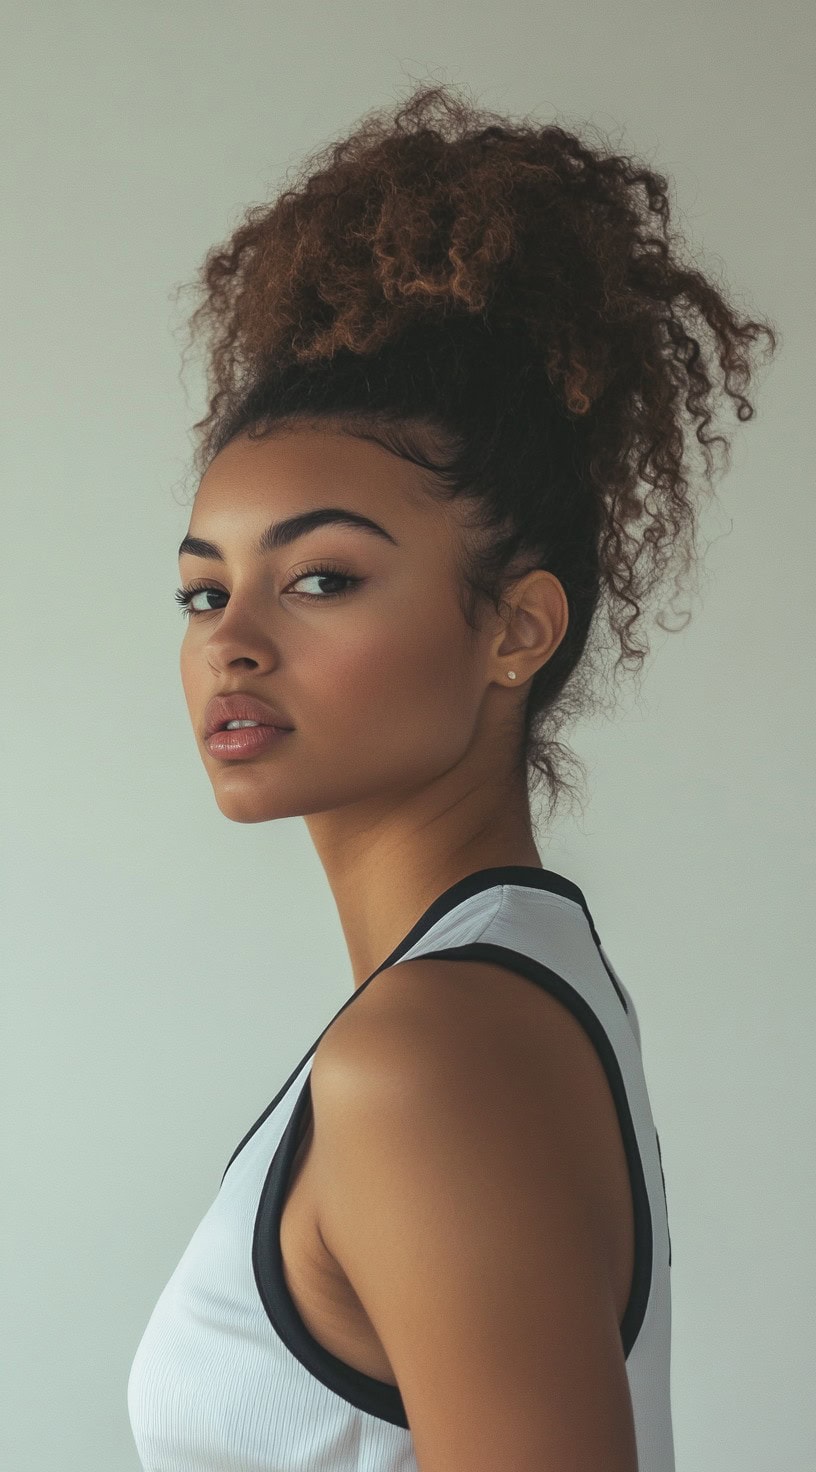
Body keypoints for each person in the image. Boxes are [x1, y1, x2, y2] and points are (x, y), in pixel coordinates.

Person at [128, 81, 777, 1472]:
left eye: (320, 578)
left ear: (516, 627)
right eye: (202, 595)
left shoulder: (429, 1054)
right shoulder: (502, 986)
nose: (232, 643)